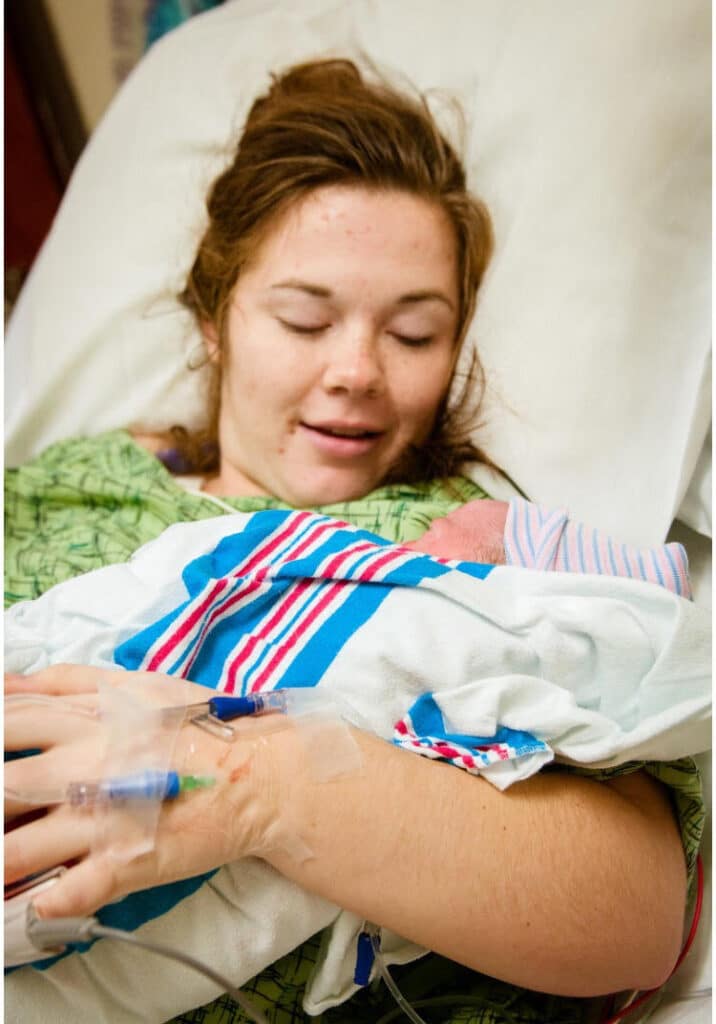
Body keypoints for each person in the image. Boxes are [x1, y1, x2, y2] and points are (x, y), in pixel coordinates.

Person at [4, 58, 701, 1024]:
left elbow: (638, 918)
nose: (358, 372)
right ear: (214, 318)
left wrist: (266, 789)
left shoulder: (470, 557)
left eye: (415, 335)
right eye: (305, 318)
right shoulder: (61, 493)